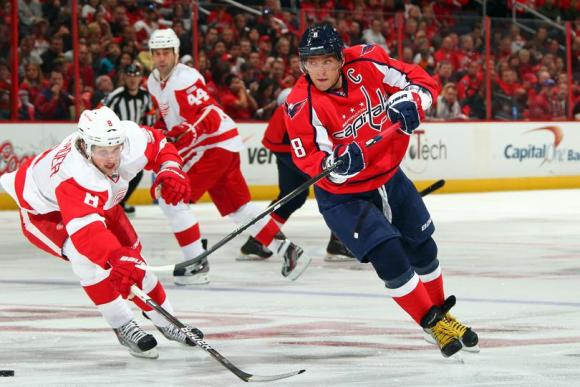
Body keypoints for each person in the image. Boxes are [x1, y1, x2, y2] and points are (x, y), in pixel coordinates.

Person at [284, 23, 479, 358]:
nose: (319, 70)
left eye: (326, 61)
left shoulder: (368, 61)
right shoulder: (301, 104)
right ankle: (431, 323)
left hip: (389, 176)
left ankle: (441, 316)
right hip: (343, 197)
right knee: (388, 253)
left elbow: (420, 81)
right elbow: (311, 162)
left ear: (340, 59)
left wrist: (411, 101)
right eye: (311, 62)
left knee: (423, 247)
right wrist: (338, 165)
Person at [0, 106, 203, 359]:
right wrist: (113, 257)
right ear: (86, 147)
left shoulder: (128, 139)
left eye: (116, 148)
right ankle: (122, 323)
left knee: (134, 263)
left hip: (100, 203)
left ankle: (168, 320)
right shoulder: (73, 174)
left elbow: (160, 145)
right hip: (45, 214)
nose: (112, 159)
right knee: (87, 260)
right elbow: (87, 235)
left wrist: (170, 169)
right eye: (102, 151)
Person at [146, 28, 310, 285]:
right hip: (220, 144)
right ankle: (286, 249)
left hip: (213, 144)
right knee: (239, 208)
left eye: (167, 52)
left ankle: (195, 261)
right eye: (157, 53)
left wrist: (188, 130)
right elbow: (168, 117)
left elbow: (208, 111)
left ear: (176, 53)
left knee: (171, 198)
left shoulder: (185, 79)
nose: (162, 58)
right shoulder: (153, 82)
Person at [262, 87, 355, 262]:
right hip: (291, 144)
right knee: (334, 186)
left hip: (283, 143)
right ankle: (338, 241)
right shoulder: (321, 93)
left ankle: (259, 240)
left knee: (292, 197)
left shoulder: (314, 89)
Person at [102, 63, 154, 215]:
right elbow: (102, 114)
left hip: (134, 142)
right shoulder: (115, 96)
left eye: (136, 76)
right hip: (114, 142)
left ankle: (119, 203)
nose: (133, 79)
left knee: (136, 173)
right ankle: (110, 203)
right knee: (112, 171)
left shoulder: (145, 97)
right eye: (130, 76)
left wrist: (146, 136)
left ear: (140, 78)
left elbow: (150, 117)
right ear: (123, 77)